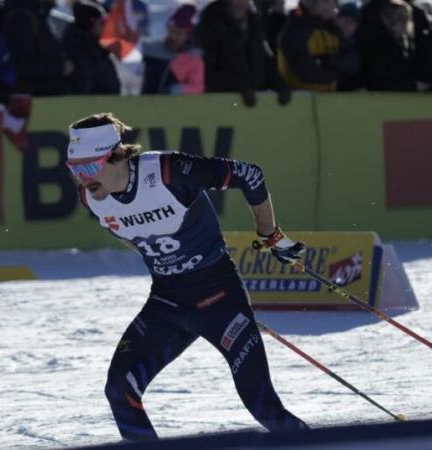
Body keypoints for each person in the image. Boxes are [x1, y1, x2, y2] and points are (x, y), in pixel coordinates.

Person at [65, 112, 309, 441]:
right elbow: (130, 235)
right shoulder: (91, 199)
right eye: (75, 169)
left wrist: (270, 233)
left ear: (117, 155)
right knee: (119, 389)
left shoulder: (166, 171)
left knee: (263, 406)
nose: (83, 178)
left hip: (219, 298)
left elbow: (250, 175)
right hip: (167, 301)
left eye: (89, 167)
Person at [197, 0, 290, 106]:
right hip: (224, 102)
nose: (239, 3)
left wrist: (279, 84)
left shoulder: (254, 23)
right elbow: (205, 70)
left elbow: (264, 60)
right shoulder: (211, 23)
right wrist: (238, 87)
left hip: (257, 102)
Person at [277, 0, 359, 91]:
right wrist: (336, 71)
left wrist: (328, 62)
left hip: (329, 98)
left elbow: (352, 60)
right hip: (299, 100)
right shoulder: (293, 31)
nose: (334, 8)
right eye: (329, 2)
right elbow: (307, 71)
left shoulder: (331, 29)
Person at [2, 0, 72, 96]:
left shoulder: (40, 15)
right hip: (36, 98)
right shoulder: (21, 18)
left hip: (47, 95)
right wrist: (60, 68)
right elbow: (24, 65)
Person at [142, 4, 205, 95]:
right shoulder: (154, 50)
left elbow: (197, 87)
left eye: (179, 33)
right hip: (144, 103)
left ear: (188, 36)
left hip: (172, 105)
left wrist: (175, 90)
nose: (173, 36)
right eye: (171, 31)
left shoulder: (194, 59)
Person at [62, 0, 121, 94]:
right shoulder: (73, 50)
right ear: (90, 23)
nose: (105, 26)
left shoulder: (101, 49)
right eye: (102, 22)